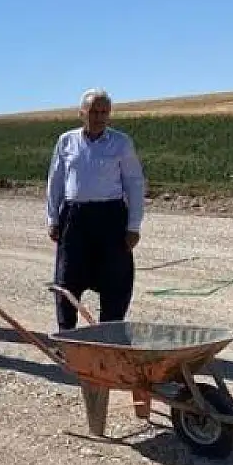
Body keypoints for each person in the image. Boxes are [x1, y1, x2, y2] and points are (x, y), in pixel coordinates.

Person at [46, 88, 146, 330]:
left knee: (115, 279)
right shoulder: (66, 141)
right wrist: (52, 218)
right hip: (74, 217)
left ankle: (109, 335)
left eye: (104, 112)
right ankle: (67, 336)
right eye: (93, 111)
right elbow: (56, 180)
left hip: (110, 217)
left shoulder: (121, 143)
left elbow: (134, 183)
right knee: (67, 278)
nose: (99, 117)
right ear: (82, 113)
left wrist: (133, 226)